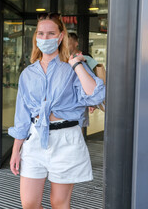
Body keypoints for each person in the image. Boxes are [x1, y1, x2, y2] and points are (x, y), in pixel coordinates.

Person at [8, 12, 105, 209]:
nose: (45, 38)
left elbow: (96, 96)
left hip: (66, 141)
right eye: (41, 33)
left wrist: (77, 64)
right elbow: (22, 117)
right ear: (36, 37)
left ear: (61, 36)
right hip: (35, 140)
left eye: (51, 33)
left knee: (59, 203)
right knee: (29, 203)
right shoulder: (28, 74)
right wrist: (16, 150)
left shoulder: (74, 67)